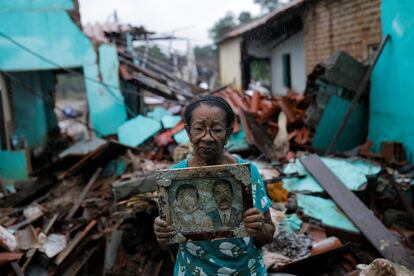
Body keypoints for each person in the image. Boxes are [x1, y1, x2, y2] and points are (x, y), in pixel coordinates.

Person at [154, 95, 275, 275]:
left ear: (228, 133)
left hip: (246, 270)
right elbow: (168, 242)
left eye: (217, 130)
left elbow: (268, 235)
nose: (208, 138)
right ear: (188, 132)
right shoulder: (174, 180)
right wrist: (162, 235)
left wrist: (258, 227)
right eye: (199, 129)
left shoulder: (248, 173)